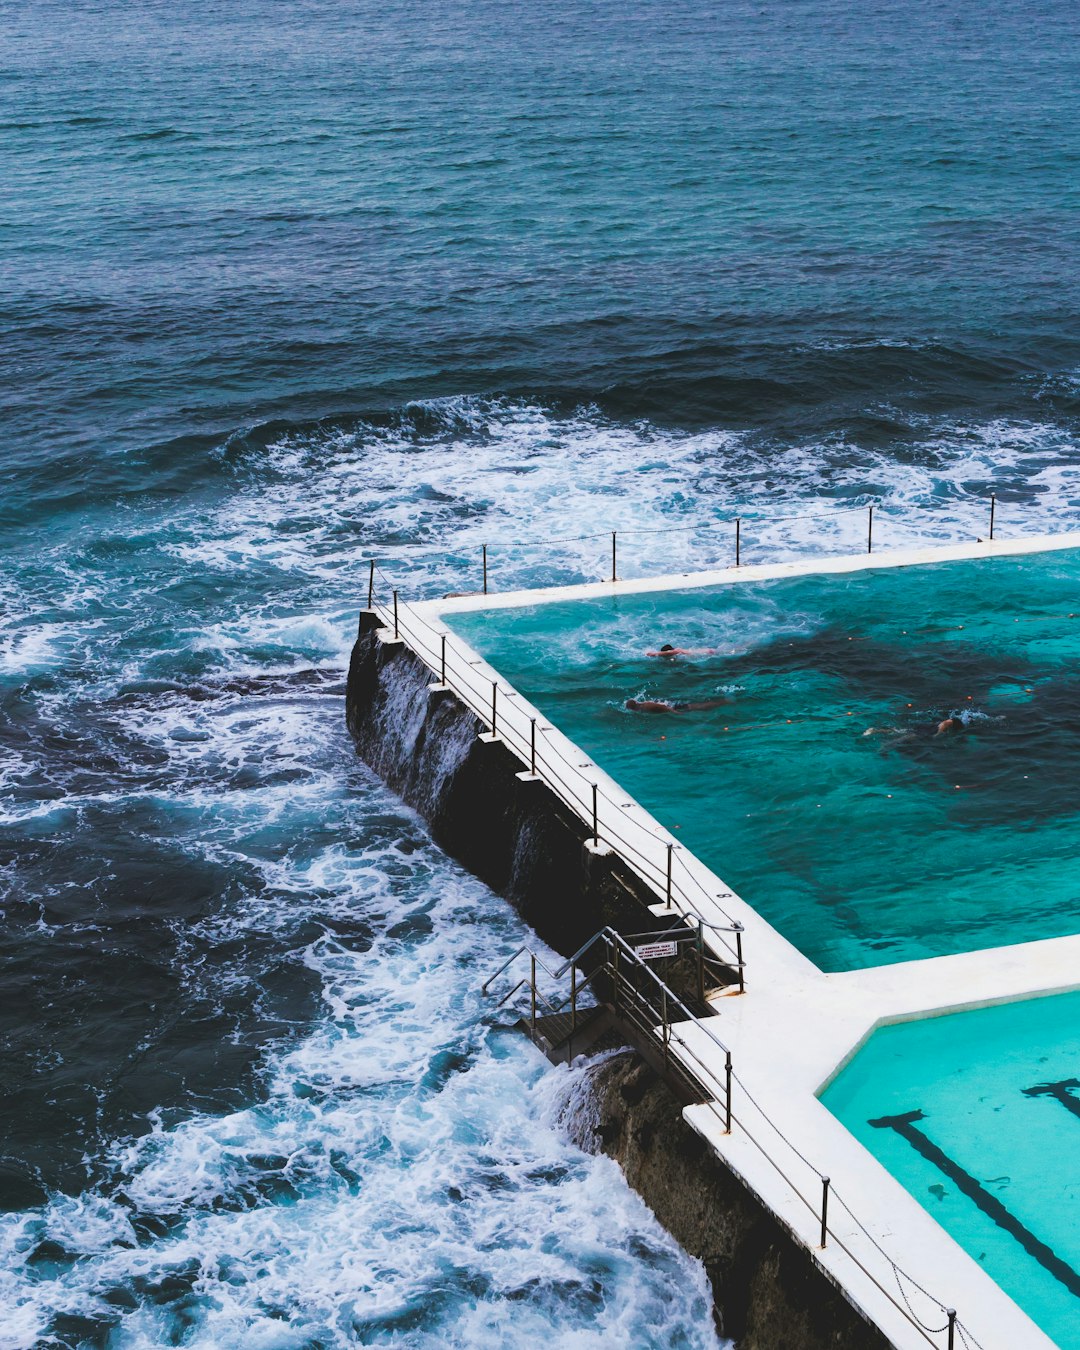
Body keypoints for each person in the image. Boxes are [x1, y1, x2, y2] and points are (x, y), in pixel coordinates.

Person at [626, 696, 730, 714]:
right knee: (698, 707)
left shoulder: (647, 706)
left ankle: (723, 702)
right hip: (671, 705)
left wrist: (676, 713)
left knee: (699, 707)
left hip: (673, 707)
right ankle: (722, 702)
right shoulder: (642, 706)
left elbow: (665, 707)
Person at [646, 643, 719, 658]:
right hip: (707, 651)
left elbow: (669, 652)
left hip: (707, 653)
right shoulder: (679, 651)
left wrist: (653, 654)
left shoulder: (676, 651)